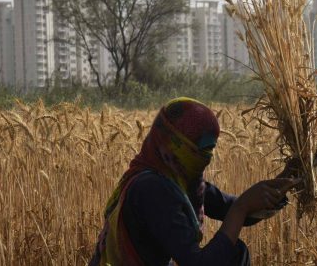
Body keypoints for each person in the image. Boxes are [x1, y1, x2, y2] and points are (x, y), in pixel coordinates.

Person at [89, 97, 299, 266]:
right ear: (175, 143)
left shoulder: (179, 181)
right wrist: (242, 207)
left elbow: (230, 207)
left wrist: (285, 181)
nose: (208, 156)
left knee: (234, 252)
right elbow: (198, 262)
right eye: (203, 148)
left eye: (211, 149)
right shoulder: (151, 189)